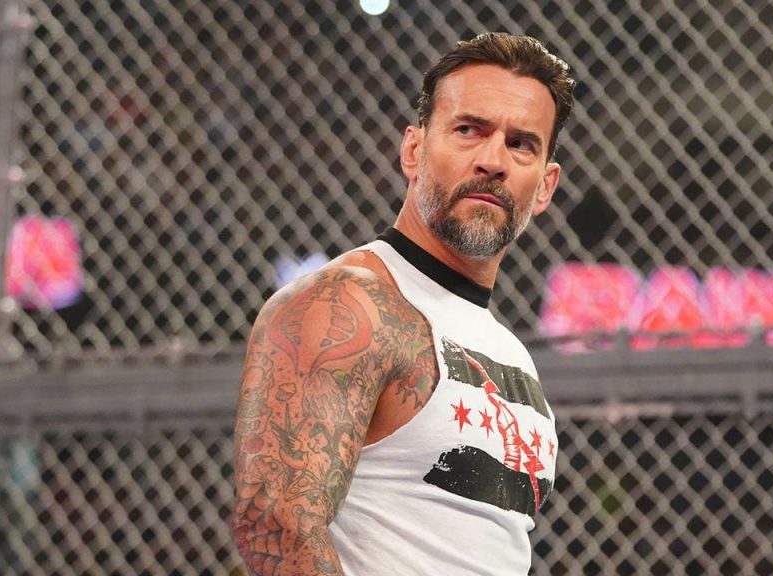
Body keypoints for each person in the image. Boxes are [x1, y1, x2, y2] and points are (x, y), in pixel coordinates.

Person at [229, 32, 576, 576]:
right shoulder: (347, 302)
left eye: (521, 144)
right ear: (413, 150)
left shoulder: (509, 351)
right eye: (469, 130)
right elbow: (276, 525)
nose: (492, 161)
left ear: (546, 186)